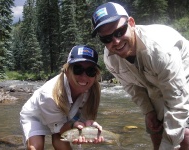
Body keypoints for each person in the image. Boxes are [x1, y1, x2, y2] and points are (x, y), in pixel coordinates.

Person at [91, 2, 189, 150]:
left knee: (184, 135)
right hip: (153, 81)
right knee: (155, 129)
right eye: (106, 39)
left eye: (119, 31)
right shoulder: (110, 59)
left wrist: (169, 145)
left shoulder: (160, 50)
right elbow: (131, 86)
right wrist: (148, 111)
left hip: (183, 73)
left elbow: (177, 104)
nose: (116, 42)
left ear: (131, 23)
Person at [20, 45, 103, 150]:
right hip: (36, 116)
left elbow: (80, 120)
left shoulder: (92, 91)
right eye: (78, 69)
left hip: (65, 116)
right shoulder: (48, 95)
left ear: (95, 74)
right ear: (67, 71)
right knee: (36, 147)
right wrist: (73, 126)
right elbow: (59, 129)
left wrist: (86, 126)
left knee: (62, 145)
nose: (84, 76)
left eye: (90, 71)